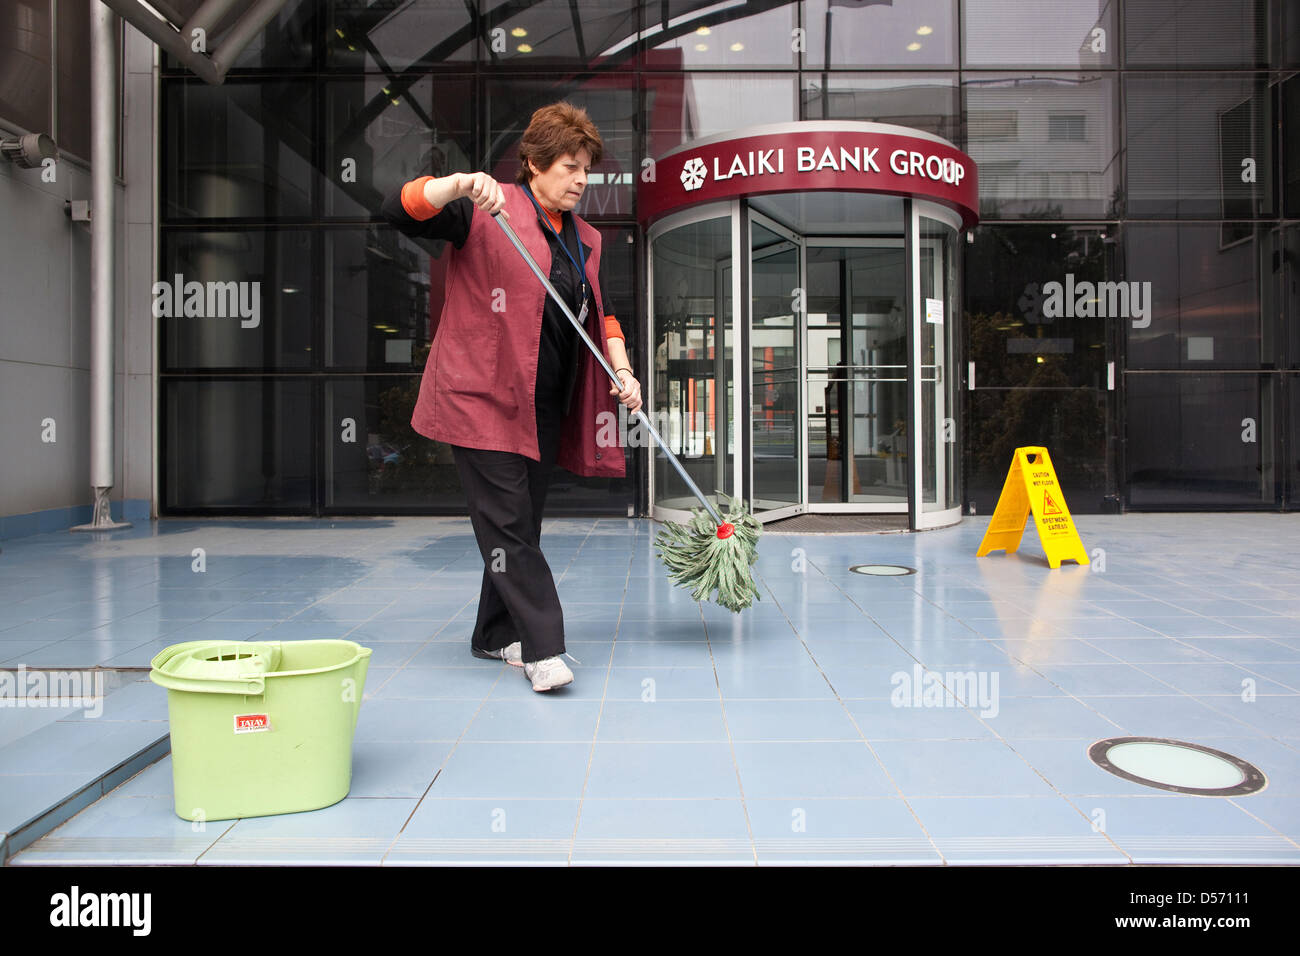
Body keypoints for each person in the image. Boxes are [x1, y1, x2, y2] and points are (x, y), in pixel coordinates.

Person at [381, 102, 641, 692]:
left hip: (543, 404)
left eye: (586, 171)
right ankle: (544, 647)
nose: (580, 180)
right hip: (481, 398)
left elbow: (603, 314)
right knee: (510, 526)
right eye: (570, 168)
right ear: (533, 164)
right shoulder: (486, 209)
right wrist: (458, 185)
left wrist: (623, 370)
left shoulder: (587, 240)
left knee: (520, 522)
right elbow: (400, 210)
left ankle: (494, 633)